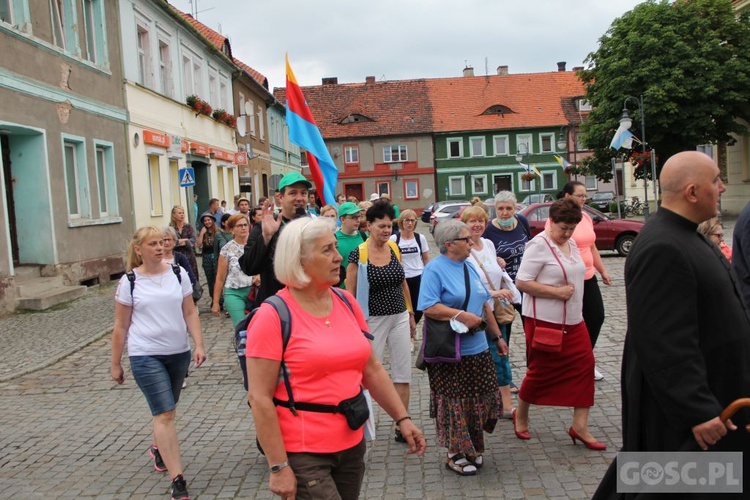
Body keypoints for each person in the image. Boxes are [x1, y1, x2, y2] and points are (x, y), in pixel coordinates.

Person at [594, 151, 750, 498]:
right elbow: (664, 340)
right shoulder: (662, 245)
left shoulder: (685, 235)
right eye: (716, 181)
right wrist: (697, 409)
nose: (722, 187)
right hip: (688, 416)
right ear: (692, 192)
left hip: (716, 396)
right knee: (668, 488)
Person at [247, 217, 426, 499]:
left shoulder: (345, 301)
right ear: (299, 260)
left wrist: (402, 418)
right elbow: (259, 398)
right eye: (327, 250)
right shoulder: (272, 316)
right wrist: (278, 466)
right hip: (304, 451)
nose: (338, 256)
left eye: (335, 248)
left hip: (351, 443)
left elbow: (372, 369)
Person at [111, 227, 206, 500]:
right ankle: (178, 479)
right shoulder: (129, 281)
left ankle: (158, 447)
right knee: (164, 413)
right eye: (152, 243)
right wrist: (115, 363)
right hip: (144, 354)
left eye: (162, 242)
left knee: (169, 409)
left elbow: (190, 311)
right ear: (138, 249)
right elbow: (120, 325)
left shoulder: (178, 273)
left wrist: (198, 344)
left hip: (178, 352)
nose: (159, 247)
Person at [514, 198, 605, 450]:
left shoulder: (572, 243)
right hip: (545, 322)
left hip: (575, 322)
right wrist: (556, 292)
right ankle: (521, 415)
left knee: (586, 366)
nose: (566, 233)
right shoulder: (538, 245)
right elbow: (522, 282)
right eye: (562, 228)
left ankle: (580, 426)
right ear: (551, 221)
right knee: (540, 372)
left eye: (571, 228)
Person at [419, 219, 506, 475]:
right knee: (455, 403)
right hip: (451, 352)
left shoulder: (469, 265)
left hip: (479, 348)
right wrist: (460, 315)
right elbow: (429, 306)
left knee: (480, 400)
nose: (471, 243)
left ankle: (473, 447)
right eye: (466, 239)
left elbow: (483, 303)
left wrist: (497, 336)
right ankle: (455, 452)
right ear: (449, 245)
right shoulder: (434, 270)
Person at [346, 201, 417, 444]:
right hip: (371, 321)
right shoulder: (359, 253)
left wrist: (410, 313)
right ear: (369, 226)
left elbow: (403, 282)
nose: (386, 230)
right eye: (381, 226)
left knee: (402, 373)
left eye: (389, 226)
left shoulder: (395, 249)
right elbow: (350, 291)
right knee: (366, 374)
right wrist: (355, 324)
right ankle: (361, 425)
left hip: (398, 315)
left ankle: (402, 423)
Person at [461, 206, 520, 419]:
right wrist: (495, 291)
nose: (477, 225)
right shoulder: (464, 251)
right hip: (477, 313)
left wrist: (500, 266)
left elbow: (494, 270)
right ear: (464, 224)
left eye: (481, 221)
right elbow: (469, 284)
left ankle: (504, 405)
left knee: (500, 356)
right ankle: (483, 403)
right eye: (472, 221)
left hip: (497, 310)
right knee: (479, 359)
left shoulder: (488, 244)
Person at [552, 182, 612, 381]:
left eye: (585, 196)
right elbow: (553, 247)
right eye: (579, 195)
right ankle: (568, 363)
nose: (583, 199)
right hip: (569, 280)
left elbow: (592, 247)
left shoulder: (585, 216)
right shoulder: (556, 219)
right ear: (568, 195)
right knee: (571, 323)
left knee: (596, 317)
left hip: (588, 276)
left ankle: (585, 359)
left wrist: (602, 270)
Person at [482, 190, 531, 392]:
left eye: (508, 208)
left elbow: (530, 245)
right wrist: (496, 261)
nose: (504, 212)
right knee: (504, 333)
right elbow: (482, 255)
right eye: (500, 208)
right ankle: (504, 377)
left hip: (526, 285)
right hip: (505, 290)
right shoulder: (488, 231)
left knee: (532, 330)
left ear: (515, 207)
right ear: (495, 209)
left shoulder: (521, 222)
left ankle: (534, 373)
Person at [240, 172, 312, 307]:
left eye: (303, 193)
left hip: (308, 302)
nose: (299, 198)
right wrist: (266, 237)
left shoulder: (313, 226)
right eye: (293, 193)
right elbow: (248, 267)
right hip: (276, 304)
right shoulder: (264, 226)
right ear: (280, 197)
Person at [212, 214, 254, 326]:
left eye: (245, 225)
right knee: (242, 327)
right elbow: (220, 278)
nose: (243, 228)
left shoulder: (256, 244)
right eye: (239, 226)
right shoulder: (226, 249)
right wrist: (216, 302)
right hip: (234, 293)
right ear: (232, 229)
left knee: (257, 327)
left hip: (255, 291)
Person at [390, 209, 430, 324]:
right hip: (403, 279)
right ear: (401, 222)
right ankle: (406, 330)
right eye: (407, 220)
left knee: (419, 308)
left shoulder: (420, 238)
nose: (410, 223)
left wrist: (428, 275)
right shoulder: (394, 239)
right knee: (405, 307)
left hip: (418, 276)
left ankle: (413, 326)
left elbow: (426, 258)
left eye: (413, 220)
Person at [335, 202, 366, 289]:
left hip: (363, 292)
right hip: (342, 292)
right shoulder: (334, 239)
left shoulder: (364, 236)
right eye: (353, 217)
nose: (358, 220)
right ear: (342, 219)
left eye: (359, 216)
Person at [169, 205, 199, 280]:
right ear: (173, 215)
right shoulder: (171, 228)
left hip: (189, 255)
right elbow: (171, 241)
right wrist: (183, 240)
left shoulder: (188, 226)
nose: (182, 215)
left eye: (183, 213)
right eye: (179, 213)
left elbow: (193, 239)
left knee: (192, 276)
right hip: (176, 256)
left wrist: (184, 242)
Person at [196, 213, 218, 307]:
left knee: (218, 278)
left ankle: (220, 299)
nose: (207, 222)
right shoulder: (202, 232)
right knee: (210, 279)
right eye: (205, 221)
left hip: (216, 256)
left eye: (209, 220)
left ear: (212, 220)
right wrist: (202, 233)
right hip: (207, 256)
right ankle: (213, 298)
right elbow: (198, 245)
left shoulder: (218, 231)